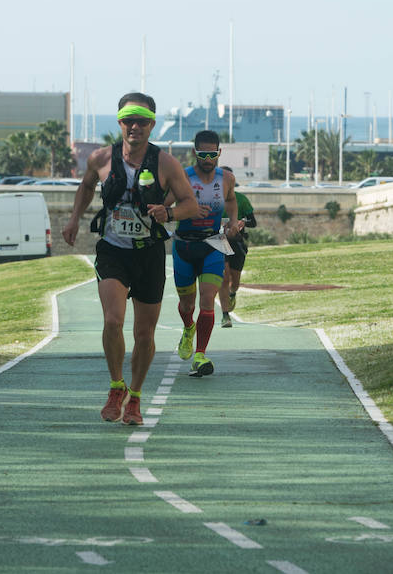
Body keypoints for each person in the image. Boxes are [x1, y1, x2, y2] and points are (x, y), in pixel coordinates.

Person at [63, 92, 202, 426]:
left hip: (149, 254)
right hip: (113, 250)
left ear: (152, 125)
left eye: (142, 121)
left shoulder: (165, 164)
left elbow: (191, 205)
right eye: (129, 121)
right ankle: (115, 386)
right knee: (112, 320)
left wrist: (167, 212)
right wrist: (73, 219)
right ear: (120, 123)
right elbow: (84, 187)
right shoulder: (100, 159)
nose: (135, 127)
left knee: (144, 334)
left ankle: (135, 396)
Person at [167, 131, 239, 376]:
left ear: (219, 153)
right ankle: (188, 328)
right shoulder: (182, 177)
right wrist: (186, 211)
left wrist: (232, 223)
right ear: (194, 153)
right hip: (184, 245)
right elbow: (164, 207)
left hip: (213, 244)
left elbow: (231, 201)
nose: (207, 159)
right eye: (202, 154)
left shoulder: (227, 178)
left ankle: (200, 356)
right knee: (187, 304)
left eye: (212, 154)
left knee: (207, 299)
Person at [218, 166, 257, 327]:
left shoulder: (241, 200)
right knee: (224, 277)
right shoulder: (212, 201)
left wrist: (242, 222)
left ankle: (233, 292)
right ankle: (225, 315)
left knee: (234, 280)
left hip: (237, 242)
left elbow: (253, 222)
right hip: (219, 241)